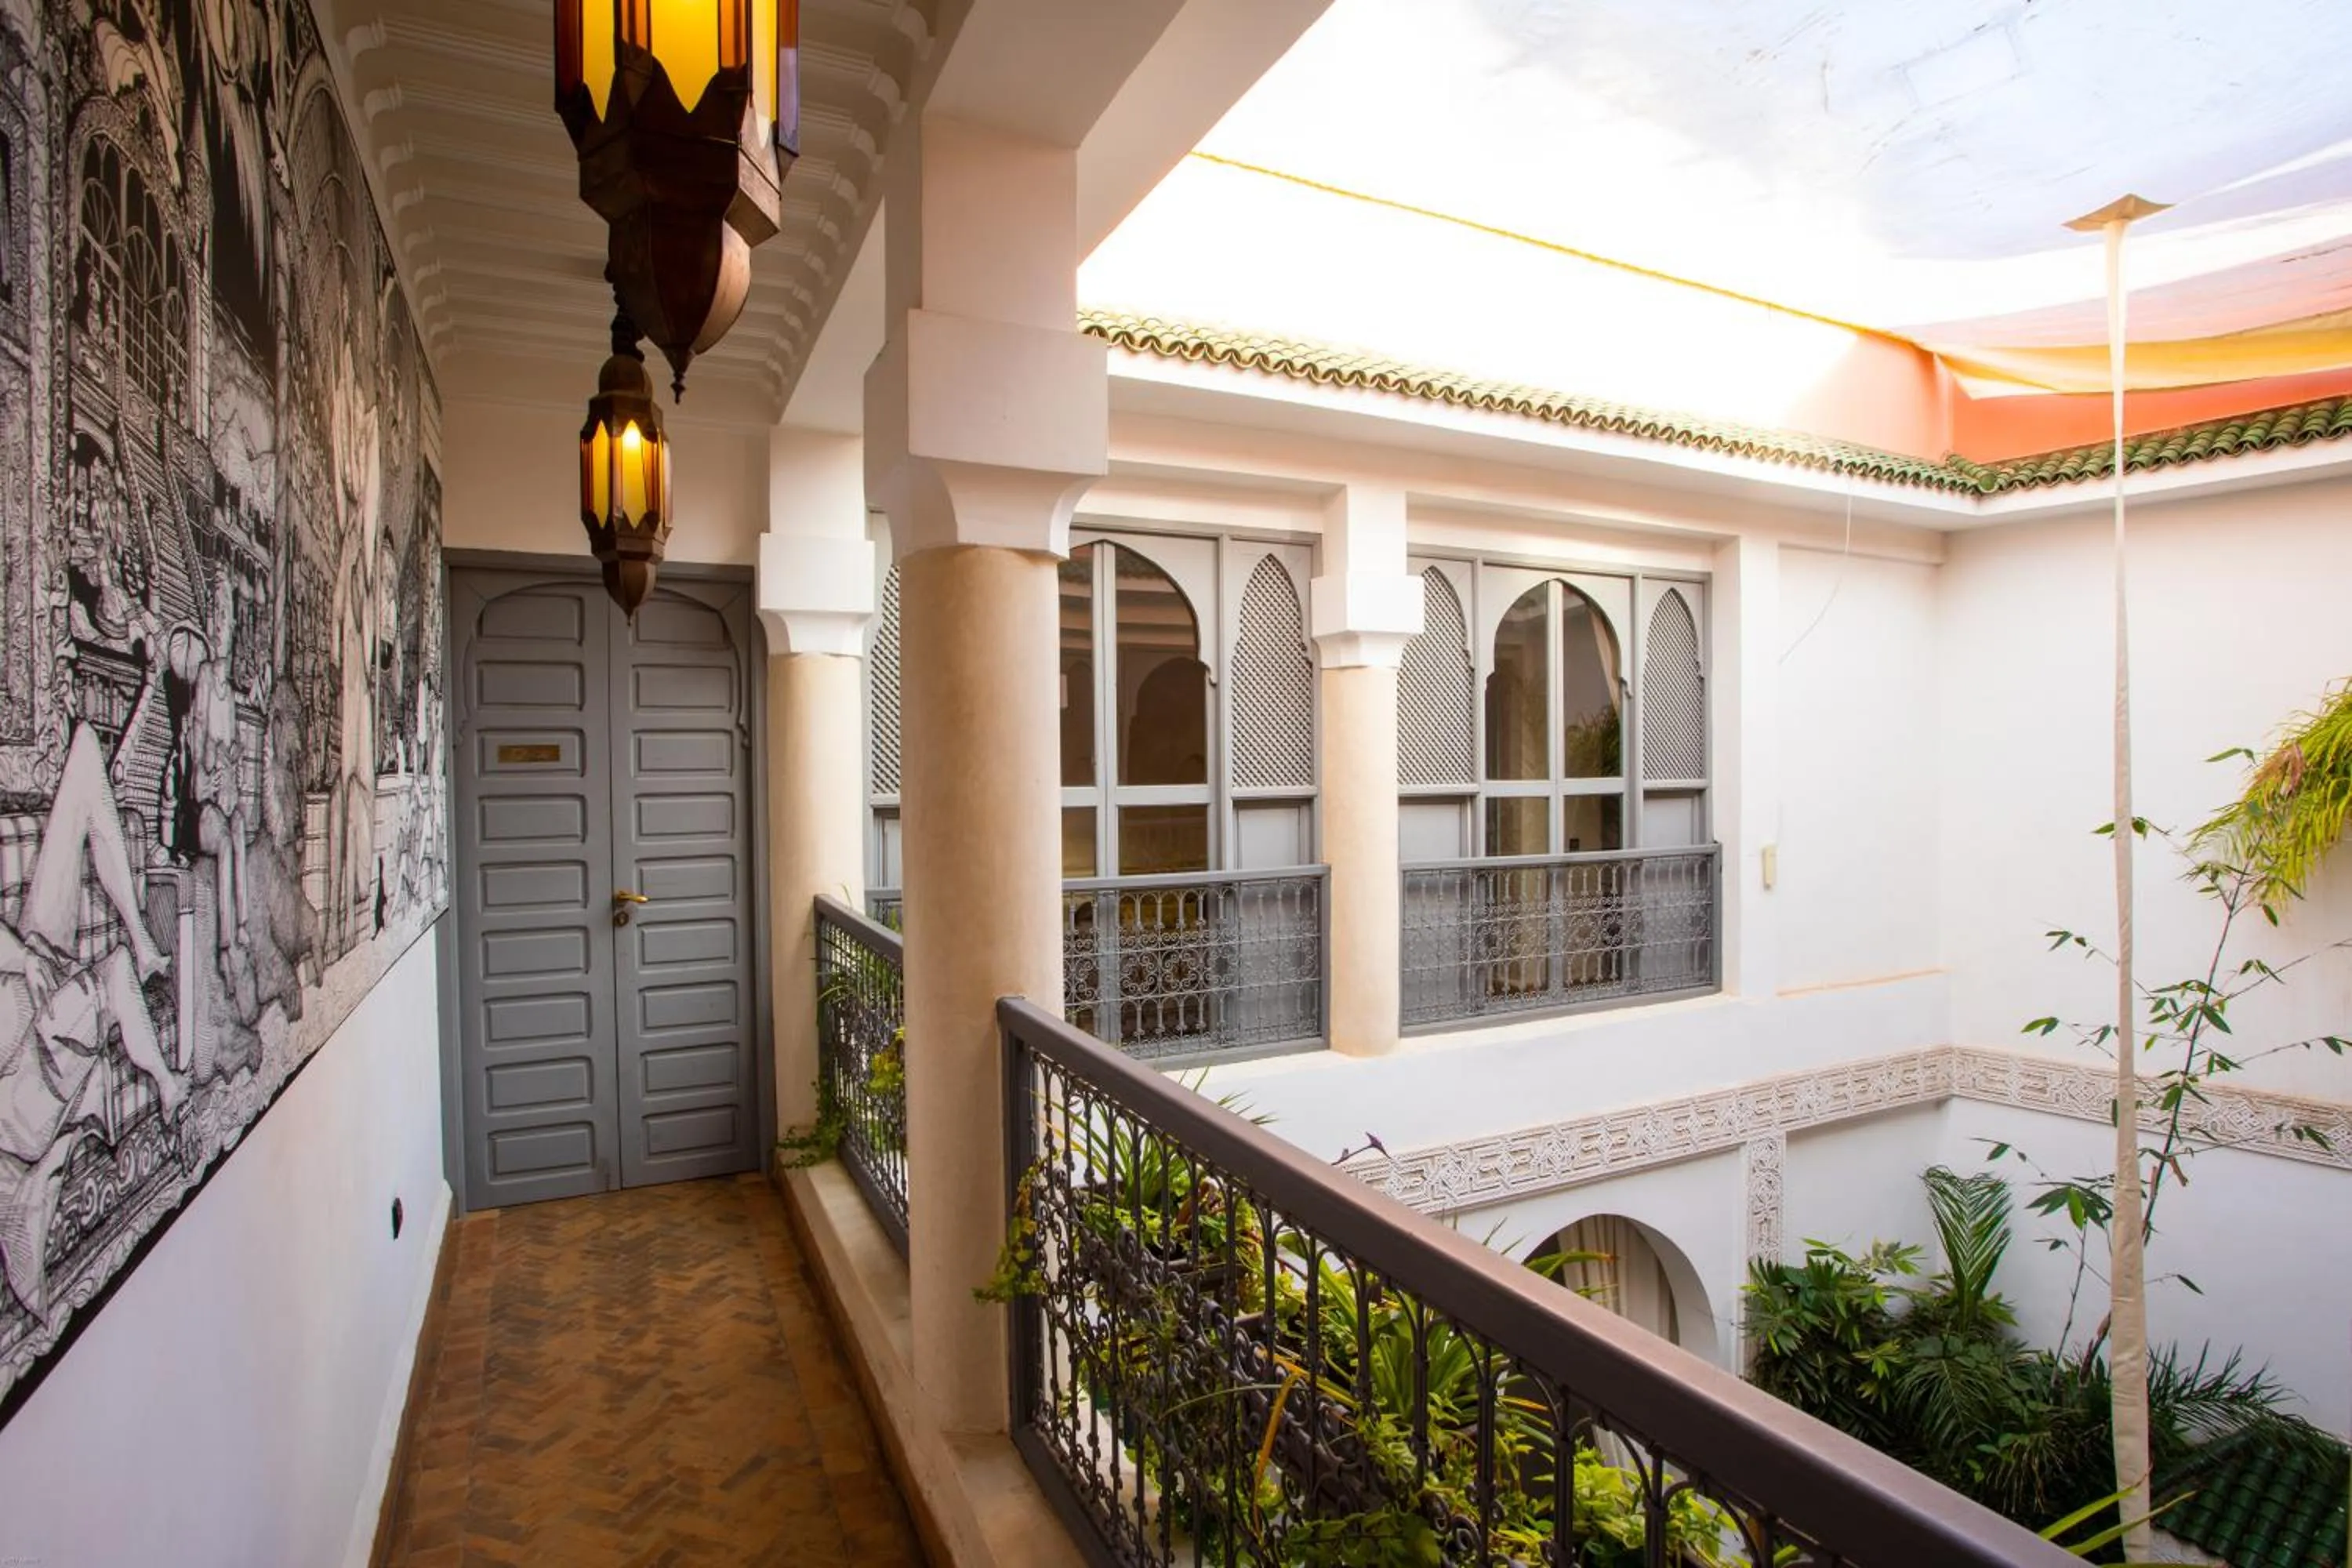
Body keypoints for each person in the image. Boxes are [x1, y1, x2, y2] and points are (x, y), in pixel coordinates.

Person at [0, 725, 180, 1323]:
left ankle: (139, 942)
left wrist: (25, 959)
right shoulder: (26, 1133)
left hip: (22, 1000)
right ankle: (163, 1071)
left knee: (84, 751)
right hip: (26, 1046)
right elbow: (110, 981)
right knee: (114, 975)